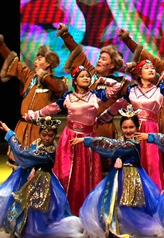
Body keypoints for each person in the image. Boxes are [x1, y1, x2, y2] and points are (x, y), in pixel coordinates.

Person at [28, 65, 122, 213]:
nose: (86, 78)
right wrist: (34, 114)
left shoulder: (96, 96)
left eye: (88, 76)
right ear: (75, 81)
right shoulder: (68, 97)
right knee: (66, 174)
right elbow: (51, 108)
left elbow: (117, 86)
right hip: (69, 139)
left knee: (87, 175)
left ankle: (86, 210)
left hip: (88, 140)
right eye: (82, 76)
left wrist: (102, 79)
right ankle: (65, 209)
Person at [0, 118, 83, 238]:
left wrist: (9, 132)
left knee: (37, 205)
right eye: (44, 135)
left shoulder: (49, 151)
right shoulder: (37, 143)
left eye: (50, 135)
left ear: (55, 135)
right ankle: (22, 228)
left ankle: (34, 229)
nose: (47, 138)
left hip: (43, 180)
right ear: (39, 134)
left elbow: (23, 153)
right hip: (32, 177)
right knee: (25, 203)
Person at [75, 106, 164, 238]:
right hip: (117, 176)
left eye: (131, 127)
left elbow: (113, 146)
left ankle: (127, 227)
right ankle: (117, 226)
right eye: (125, 127)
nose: (128, 130)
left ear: (137, 127)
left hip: (131, 176)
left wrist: (88, 140)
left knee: (130, 206)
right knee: (114, 202)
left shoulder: (132, 144)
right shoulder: (123, 141)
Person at [105, 59, 164, 190]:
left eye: (153, 68)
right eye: (147, 68)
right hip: (133, 130)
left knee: (151, 162)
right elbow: (118, 105)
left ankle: (153, 192)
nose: (151, 70)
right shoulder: (132, 90)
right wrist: (102, 119)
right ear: (139, 73)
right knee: (133, 160)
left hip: (151, 130)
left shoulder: (160, 90)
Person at [0, 32, 66, 157]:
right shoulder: (29, 77)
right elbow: (14, 63)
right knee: (20, 163)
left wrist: (44, 76)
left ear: (48, 63)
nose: (35, 61)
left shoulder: (58, 82)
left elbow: (59, 90)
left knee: (38, 163)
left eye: (39, 58)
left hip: (41, 131)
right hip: (23, 128)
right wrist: (1, 43)